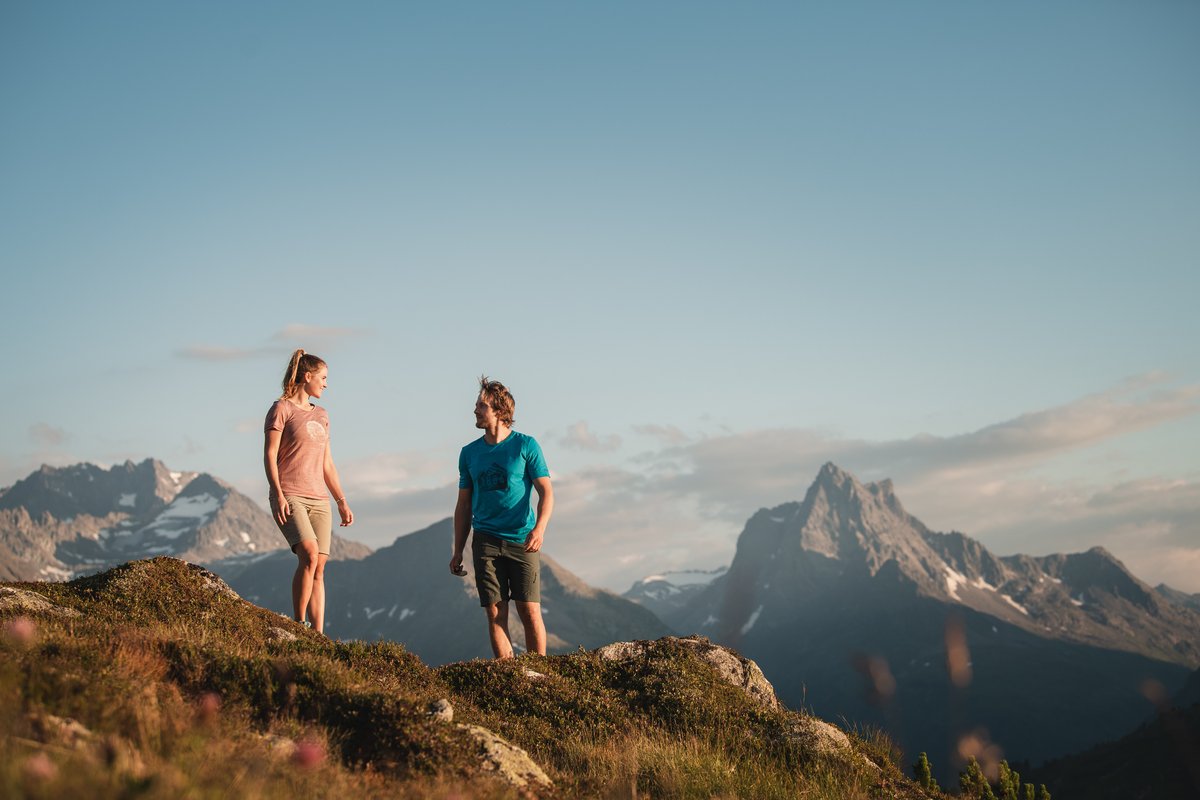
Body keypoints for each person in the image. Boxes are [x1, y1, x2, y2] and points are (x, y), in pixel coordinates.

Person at [450, 376, 554, 658]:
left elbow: (547, 493)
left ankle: (541, 676)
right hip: (485, 541)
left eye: (480, 405)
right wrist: (458, 549)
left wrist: (540, 529)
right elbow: (463, 505)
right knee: (495, 613)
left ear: (498, 410)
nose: (474, 410)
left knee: (529, 610)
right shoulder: (469, 453)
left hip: (523, 539)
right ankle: (510, 678)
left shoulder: (526, 446)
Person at [263, 349, 354, 633]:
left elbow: (327, 462)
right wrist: (277, 493)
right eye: (323, 378)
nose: (326, 384)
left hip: (320, 500)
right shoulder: (281, 409)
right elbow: (269, 454)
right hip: (290, 493)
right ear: (307, 376)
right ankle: (298, 624)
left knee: (320, 568)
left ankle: (318, 634)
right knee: (309, 556)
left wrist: (341, 500)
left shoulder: (323, 415)